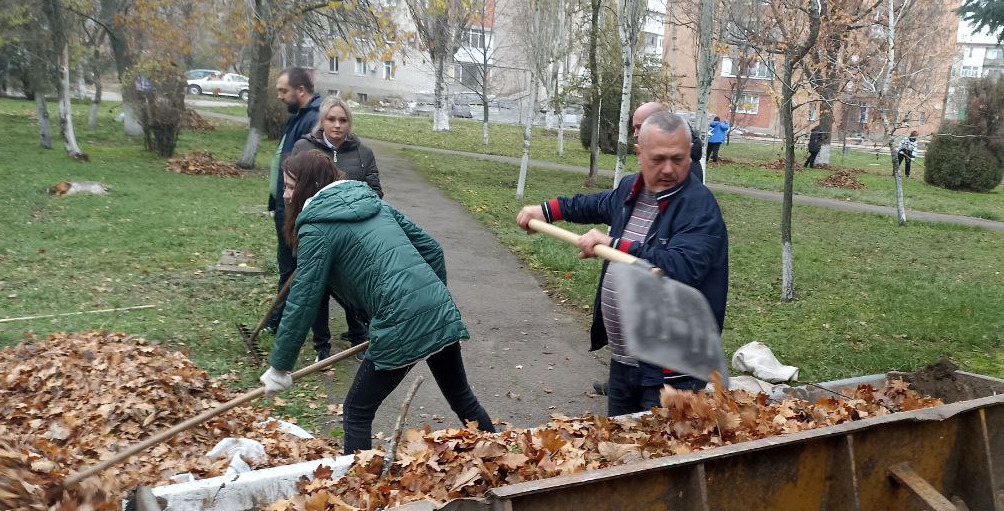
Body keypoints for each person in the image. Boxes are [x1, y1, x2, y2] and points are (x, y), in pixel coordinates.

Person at [261, 151, 495, 452]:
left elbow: (304, 299)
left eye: (290, 186)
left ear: (309, 185)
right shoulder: (372, 202)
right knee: (462, 398)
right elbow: (432, 250)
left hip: (402, 321)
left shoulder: (316, 228)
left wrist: (280, 367)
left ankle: (358, 492)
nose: (285, 193)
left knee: (357, 412)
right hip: (438, 310)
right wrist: (430, 305)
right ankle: (499, 457)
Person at [516, 111, 729, 416]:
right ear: (640, 153)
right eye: (658, 159)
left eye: (678, 159)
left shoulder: (698, 205)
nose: (669, 169)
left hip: (673, 368)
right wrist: (546, 211)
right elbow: (595, 204)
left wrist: (614, 244)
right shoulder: (632, 189)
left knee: (661, 456)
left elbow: (682, 267)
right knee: (621, 451)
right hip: (625, 360)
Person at [291, 96, 379, 359]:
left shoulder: (363, 153)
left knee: (353, 288)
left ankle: (358, 338)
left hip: (351, 236)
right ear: (323, 121)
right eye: (331, 119)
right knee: (318, 289)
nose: (337, 125)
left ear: (349, 123)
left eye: (343, 120)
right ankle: (322, 346)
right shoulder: (304, 147)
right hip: (316, 232)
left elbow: (375, 192)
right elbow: (294, 190)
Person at [267, 67, 321, 333]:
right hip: (284, 204)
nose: (279, 96)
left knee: (293, 267)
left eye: (283, 91)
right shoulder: (298, 115)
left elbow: (305, 169)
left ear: (301, 91)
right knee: (287, 265)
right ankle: (280, 322)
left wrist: (290, 207)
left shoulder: (312, 119)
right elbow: (282, 158)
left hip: (295, 208)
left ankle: (281, 324)